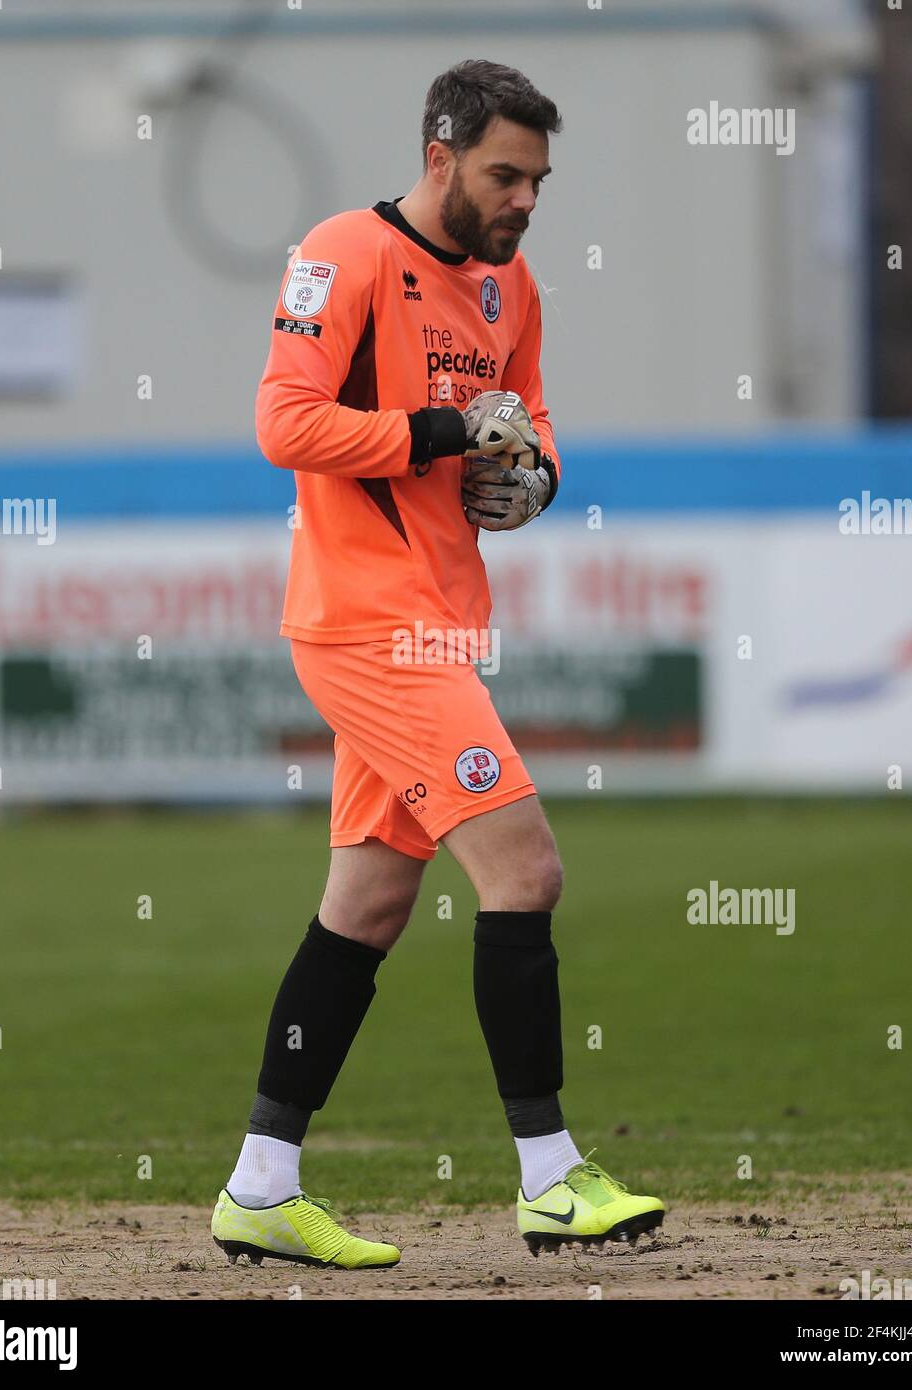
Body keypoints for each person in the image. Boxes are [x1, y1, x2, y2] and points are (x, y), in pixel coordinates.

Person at [211, 58, 664, 1270]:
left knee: (366, 906)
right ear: (439, 155)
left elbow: (527, 415)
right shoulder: (342, 254)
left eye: (538, 180)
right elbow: (283, 423)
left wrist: (534, 479)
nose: (523, 199)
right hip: (369, 624)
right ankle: (552, 1176)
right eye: (504, 173)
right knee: (525, 870)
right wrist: (440, 431)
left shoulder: (511, 287)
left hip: (441, 620)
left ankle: (262, 1182)